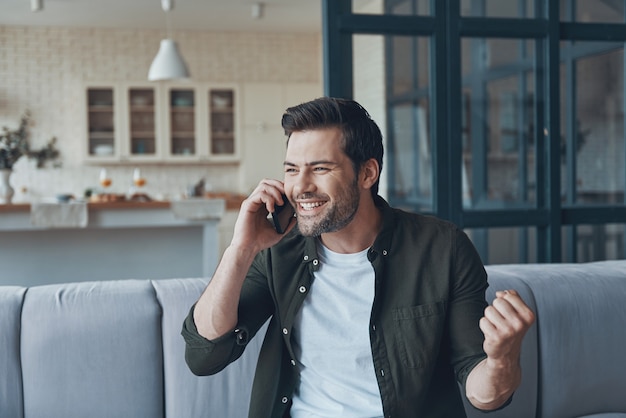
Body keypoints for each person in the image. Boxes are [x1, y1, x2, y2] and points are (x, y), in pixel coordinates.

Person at [182, 97, 535, 418]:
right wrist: (241, 249)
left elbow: (483, 395)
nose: (300, 186)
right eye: (291, 169)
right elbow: (204, 355)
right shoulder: (278, 249)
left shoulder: (443, 248)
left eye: (320, 168)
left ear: (367, 173)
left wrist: (503, 359)